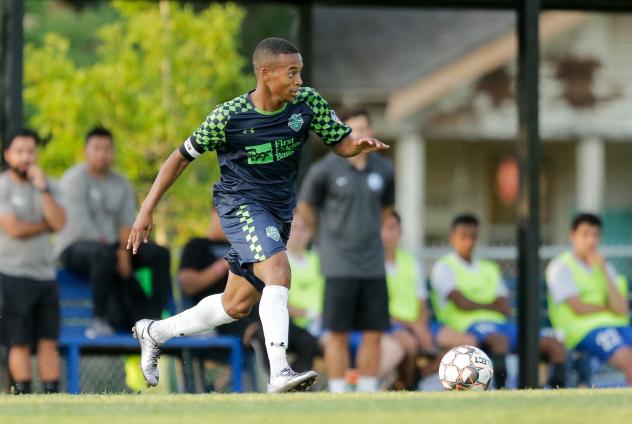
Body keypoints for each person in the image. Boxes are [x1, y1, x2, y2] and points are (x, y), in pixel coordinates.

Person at [127, 37, 389, 393]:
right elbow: (180, 157)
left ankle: (155, 332)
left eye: (300, 72)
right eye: (291, 73)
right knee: (278, 271)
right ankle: (279, 371)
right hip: (240, 205)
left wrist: (354, 147)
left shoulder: (308, 103)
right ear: (266, 74)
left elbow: (339, 142)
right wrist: (147, 208)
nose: (299, 81)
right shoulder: (228, 116)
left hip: (278, 212)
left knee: (235, 304)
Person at [297, 107, 394, 393]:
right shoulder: (325, 168)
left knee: (374, 332)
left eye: (365, 128)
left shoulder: (384, 169)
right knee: (337, 333)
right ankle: (338, 390)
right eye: (354, 129)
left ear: (372, 131)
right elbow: (305, 208)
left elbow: (387, 210)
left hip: (374, 264)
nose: (361, 134)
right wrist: (327, 236)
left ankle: (366, 390)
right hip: (338, 265)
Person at [179, 209, 319, 384]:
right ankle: (277, 383)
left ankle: (294, 391)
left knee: (307, 341)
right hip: (226, 314)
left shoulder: (247, 245)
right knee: (261, 336)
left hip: (257, 308)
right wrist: (223, 265)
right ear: (215, 213)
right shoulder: (197, 245)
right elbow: (188, 285)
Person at [57, 127, 171, 337]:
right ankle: (98, 320)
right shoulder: (73, 180)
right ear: (85, 151)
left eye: (107, 148)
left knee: (159, 254)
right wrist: (119, 253)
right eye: (97, 148)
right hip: (76, 248)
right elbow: (82, 227)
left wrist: (123, 251)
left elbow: (128, 223)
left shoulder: (122, 183)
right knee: (103, 255)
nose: (103, 154)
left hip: (115, 249)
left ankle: (156, 320)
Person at [431, 213, 566, 389]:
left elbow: (503, 307)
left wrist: (478, 303)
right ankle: (502, 388)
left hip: (499, 324)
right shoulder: (444, 267)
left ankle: (555, 391)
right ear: (452, 238)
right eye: (463, 236)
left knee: (553, 345)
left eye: (473, 236)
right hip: (465, 326)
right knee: (499, 341)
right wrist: (490, 304)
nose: (469, 242)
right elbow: (461, 304)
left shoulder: (489, 268)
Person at [0, 130, 66, 394]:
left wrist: (42, 189)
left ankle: (52, 393)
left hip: (45, 277)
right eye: (20, 151)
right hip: (11, 275)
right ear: (8, 155)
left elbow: (59, 223)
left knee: (48, 341)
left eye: (31, 151)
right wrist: (44, 225)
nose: (26, 156)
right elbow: (13, 228)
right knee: (20, 342)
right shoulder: (3, 185)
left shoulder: (48, 185)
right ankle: (24, 393)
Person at [381, 209, 476, 390]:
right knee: (408, 344)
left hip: (416, 324)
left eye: (391, 228)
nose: (386, 233)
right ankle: (406, 386)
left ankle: (418, 378)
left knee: (468, 343)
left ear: (400, 232)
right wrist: (413, 326)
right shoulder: (370, 264)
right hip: (390, 325)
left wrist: (421, 326)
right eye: (382, 228)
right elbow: (375, 309)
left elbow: (422, 302)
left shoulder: (411, 262)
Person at [546, 213, 632, 384]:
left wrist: (605, 272)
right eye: (585, 234)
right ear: (573, 236)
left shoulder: (606, 267)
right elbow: (578, 307)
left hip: (617, 325)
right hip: (583, 330)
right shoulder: (561, 266)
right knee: (629, 360)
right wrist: (608, 308)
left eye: (595, 235)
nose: (591, 241)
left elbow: (622, 308)